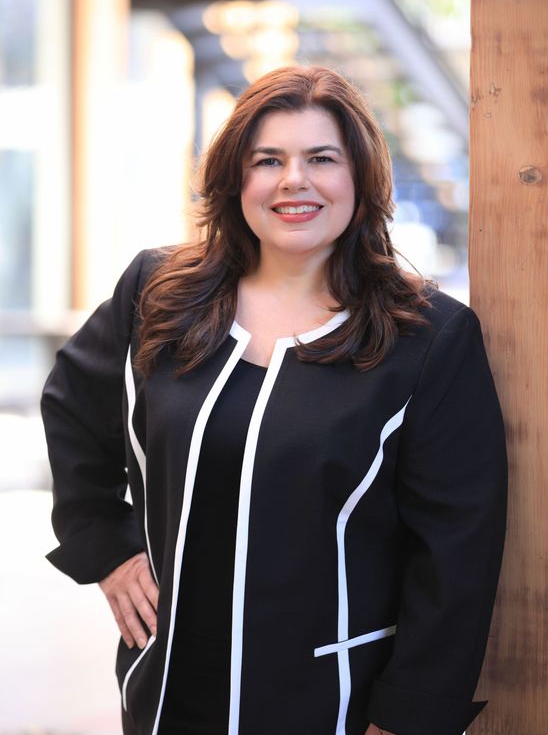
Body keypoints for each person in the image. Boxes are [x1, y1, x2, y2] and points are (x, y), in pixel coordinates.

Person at [41, 65, 507, 735]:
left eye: (321, 158)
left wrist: (409, 717)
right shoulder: (158, 294)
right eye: (268, 160)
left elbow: (458, 547)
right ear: (237, 180)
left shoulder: (427, 338)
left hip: (333, 700)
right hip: (169, 692)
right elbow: (72, 409)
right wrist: (103, 547)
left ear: (361, 178)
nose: (295, 180)